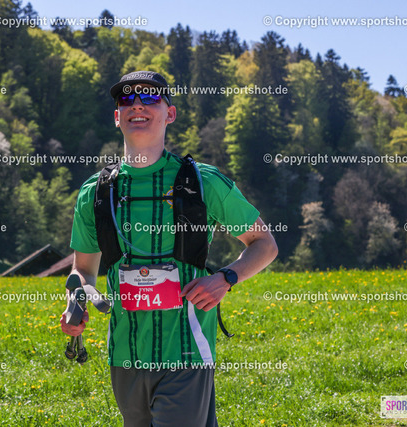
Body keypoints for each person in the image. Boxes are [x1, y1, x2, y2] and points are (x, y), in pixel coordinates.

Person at [60, 71, 278, 427]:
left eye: (149, 97)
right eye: (127, 99)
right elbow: (82, 270)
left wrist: (225, 278)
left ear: (170, 113)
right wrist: (78, 299)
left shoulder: (203, 182)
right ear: (117, 117)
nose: (137, 105)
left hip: (186, 353)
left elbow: (265, 244)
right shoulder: (95, 192)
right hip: (125, 357)